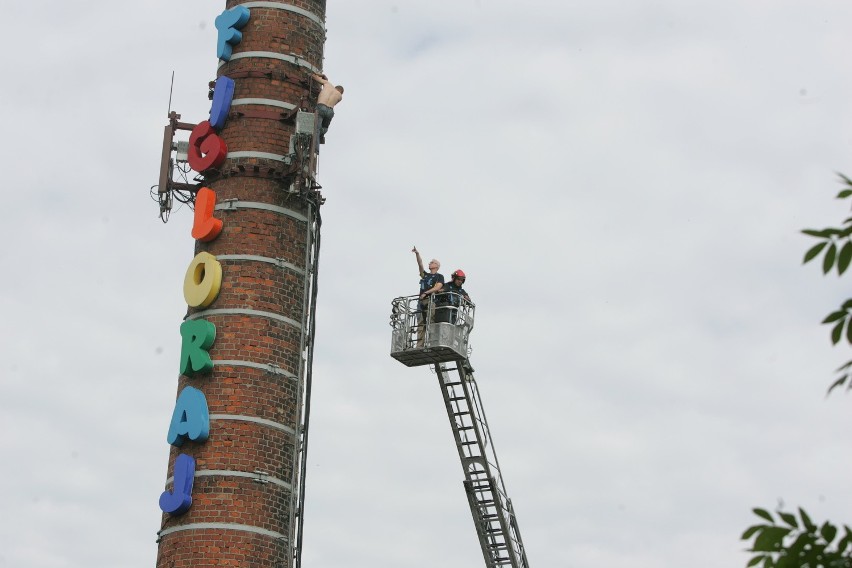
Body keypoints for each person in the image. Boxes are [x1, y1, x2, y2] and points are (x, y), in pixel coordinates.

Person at [412, 246, 444, 345]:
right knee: (421, 324)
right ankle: (419, 345)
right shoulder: (425, 275)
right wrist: (417, 254)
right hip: (421, 302)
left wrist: (426, 292)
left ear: (436, 266)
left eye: (432, 262)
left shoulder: (439, 276)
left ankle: (431, 343)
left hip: (430, 301)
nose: (429, 263)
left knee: (431, 322)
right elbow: (420, 264)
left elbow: (438, 287)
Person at [311, 73, 344, 143]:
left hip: (321, 107)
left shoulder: (327, 84)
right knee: (325, 128)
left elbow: (314, 77)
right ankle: (322, 134)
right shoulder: (340, 97)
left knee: (316, 130)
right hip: (330, 111)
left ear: (335, 87)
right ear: (341, 92)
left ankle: (315, 149)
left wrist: (320, 75)